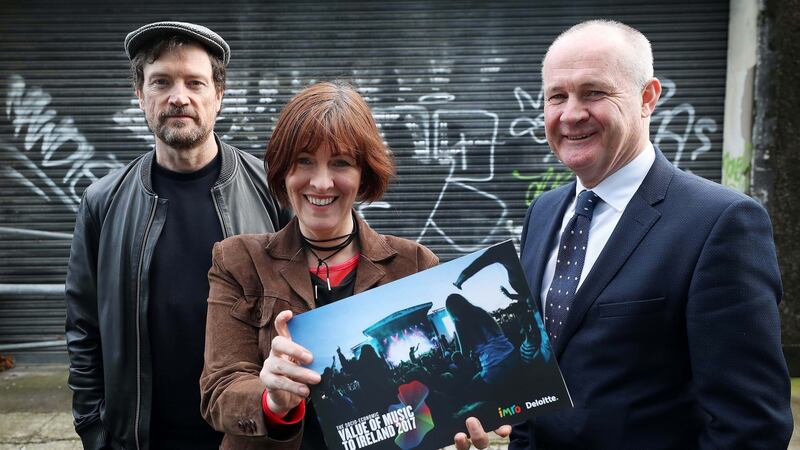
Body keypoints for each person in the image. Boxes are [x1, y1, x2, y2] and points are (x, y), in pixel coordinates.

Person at [509, 20, 793, 449]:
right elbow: (539, 377)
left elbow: (751, 427)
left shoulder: (722, 223)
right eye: (556, 96)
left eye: (594, 92)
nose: (570, 114)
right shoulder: (544, 213)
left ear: (647, 98)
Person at [199, 81, 505, 450]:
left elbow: (430, 416)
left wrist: (467, 421)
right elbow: (219, 393)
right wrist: (273, 399)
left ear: (364, 174)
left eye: (341, 163)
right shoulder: (239, 261)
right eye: (304, 162)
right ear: (283, 171)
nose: (322, 182)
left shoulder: (414, 263)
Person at [64, 21, 288, 450]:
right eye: (161, 82)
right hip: (143, 437)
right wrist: (94, 428)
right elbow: (83, 325)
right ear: (140, 94)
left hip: (248, 434)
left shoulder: (273, 191)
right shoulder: (102, 203)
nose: (178, 97)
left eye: (194, 82)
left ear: (218, 95)